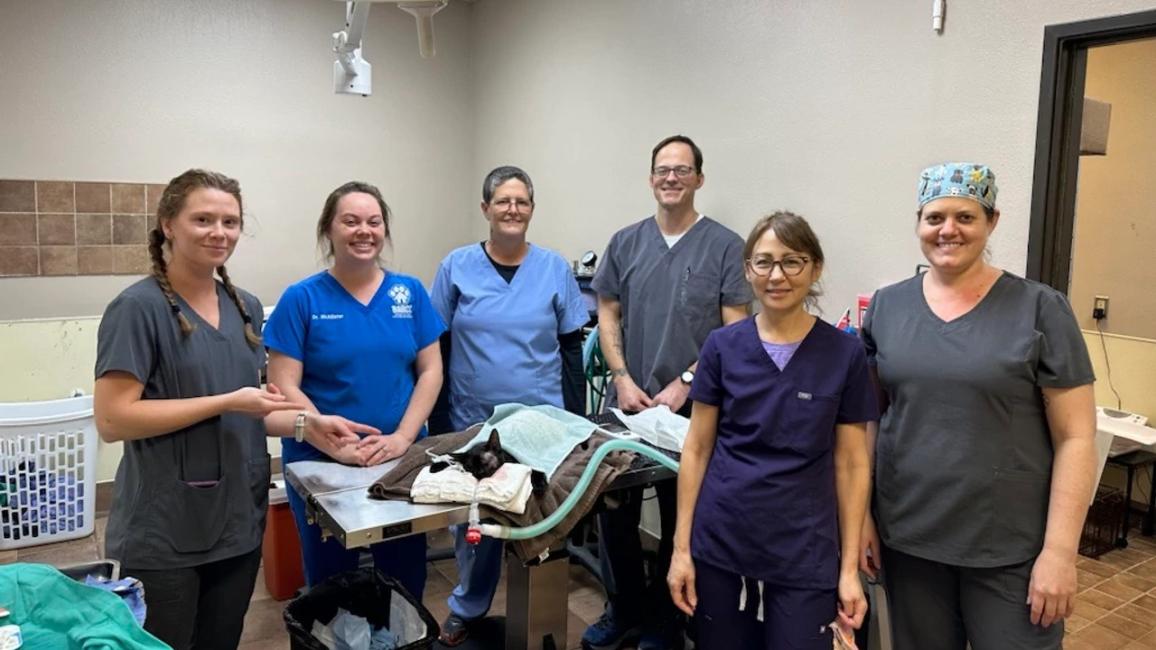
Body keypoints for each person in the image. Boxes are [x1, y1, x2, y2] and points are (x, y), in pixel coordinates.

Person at [859, 163, 1097, 649]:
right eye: (935, 217)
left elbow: (1076, 438)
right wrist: (862, 514)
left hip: (1010, 550)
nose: (948, 230)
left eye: (965, 217)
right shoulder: (887, 307)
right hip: (910, 538)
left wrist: (1059, 552)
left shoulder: (1039, 308)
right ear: (919, 223)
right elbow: (869, 420)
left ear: (992, 221)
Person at [94, 169, 304, 649]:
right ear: (168, 223)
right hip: (166, 532)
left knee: (221, 640)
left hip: (236, 523)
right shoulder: (137, 309)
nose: (220, 232)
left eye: (230, 222)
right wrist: (228, 401)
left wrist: (310, 424)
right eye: (203, 219)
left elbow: (256, 409)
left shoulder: (244, 306)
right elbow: (112, 419)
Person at [666, 211, 873, 649]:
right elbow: (698, 448)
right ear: (748, 271)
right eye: (763, 262)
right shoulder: (722, 346)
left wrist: (849, 569)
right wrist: (681, 550)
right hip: (723, 542)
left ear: (814, 268)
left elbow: (852, 463)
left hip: (805, 548)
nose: (776, 275)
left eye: (792, 261)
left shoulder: (844, 353)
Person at [585, 135, 751, 650]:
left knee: (683, 520)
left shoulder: (725, 246)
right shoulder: (626, 242)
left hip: (694, 411)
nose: (672, 177)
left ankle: (665, 621)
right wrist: (621, 377)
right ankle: (626, 609)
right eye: (663, 169)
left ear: (699, 178)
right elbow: (607, 312)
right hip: (629, 405)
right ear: (651, 178)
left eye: (683, 169)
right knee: (614, 515)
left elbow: (734, 330)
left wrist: (685, 383)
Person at [429, 165, 589, 646]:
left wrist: (578, 421)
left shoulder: (555, 268)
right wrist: (438, 421)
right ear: (485, 209)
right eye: (502, 201)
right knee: (474, 521)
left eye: (521, 201)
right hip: (473, 416)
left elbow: (571, 348)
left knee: (537, 514)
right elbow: (437, 344)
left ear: (532, 210)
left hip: (539, 418)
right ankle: (468, 607)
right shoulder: (456, 267)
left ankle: (539, 619)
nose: (512, 209)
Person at [263, 181, 445, 601]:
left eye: (374, 222)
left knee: (404, 578)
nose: (364, 231)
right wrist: (331, 440)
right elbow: (284, 384)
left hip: (397, 457)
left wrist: (402, 438)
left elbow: (431, 370)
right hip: (320, 460)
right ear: (329, 229)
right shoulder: (302, 299)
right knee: (331, 584)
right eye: (351, 221)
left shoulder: (409, 292)